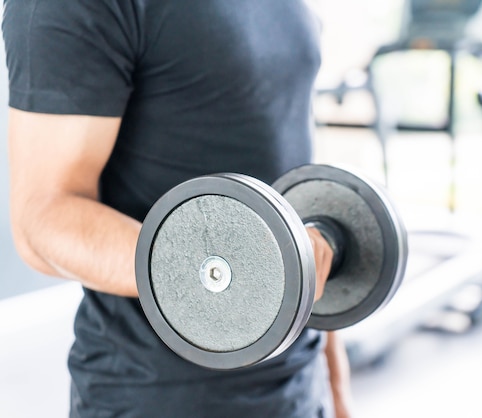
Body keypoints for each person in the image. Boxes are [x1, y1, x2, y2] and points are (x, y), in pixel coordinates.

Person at [2, 0, 352, 416]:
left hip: (299, 383)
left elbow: (292, 193)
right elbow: (43, 218)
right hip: (162, 395)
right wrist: (238, 271)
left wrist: (336, 385)